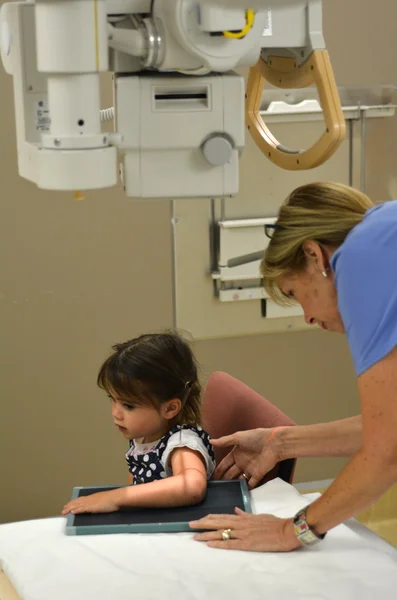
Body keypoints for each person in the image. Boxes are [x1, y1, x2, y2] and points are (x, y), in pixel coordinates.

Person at [190, 181, 397, 551]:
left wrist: (292, 531)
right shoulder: (383, 229)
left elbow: (387, 452)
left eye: (293, 293)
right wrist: (280, 441)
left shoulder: (359, 256)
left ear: (315, 256)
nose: (306, 317)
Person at [62, 332, 215, 515]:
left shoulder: (181, 443)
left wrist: (116, 497)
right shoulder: (145, 436)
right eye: (113, 399)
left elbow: (191, 487)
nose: (115, 413)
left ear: (170, 408)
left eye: (128, 405)